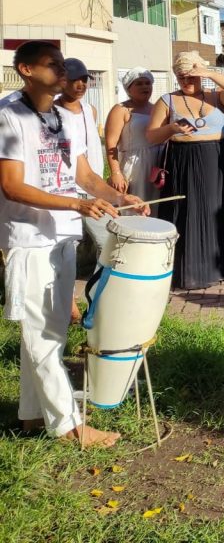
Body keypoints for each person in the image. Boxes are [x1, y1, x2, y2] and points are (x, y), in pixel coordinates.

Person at [0, 41, 147, 447]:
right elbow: (12, 187)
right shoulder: (8, 116)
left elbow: (84, 174)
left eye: (63, 63)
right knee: (42, 334)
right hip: (29, 240)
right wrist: (77, 204)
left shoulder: (63, 117)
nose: (63, 70)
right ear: (26, 70)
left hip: (63, 234)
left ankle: (31, 414)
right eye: (53, 64)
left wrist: (120, 198)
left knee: (49, 332)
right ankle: (68, 426)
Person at [146, 51, 224, 290]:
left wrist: (209, 73)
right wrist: (171, 128)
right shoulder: (167, 100)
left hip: (214, 157)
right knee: (185, 212)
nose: (187, 81)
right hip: (183, 160)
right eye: (182, 77)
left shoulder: (217, 96)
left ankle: (217, 268)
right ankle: (187, 272)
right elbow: (151, 135)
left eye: (192, 76)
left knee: (215, 210)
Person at [55, 59, 110, 260]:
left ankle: (92, 283)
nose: (81, 85)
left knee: (100, 241)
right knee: (72, 241)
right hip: (70, 187)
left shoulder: (90, 109)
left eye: (84, 80)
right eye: (74, 80)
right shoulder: (53, 112)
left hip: (94, 183)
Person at [105, 67, 161, 200]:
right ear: (128, 89)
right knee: (135, 205)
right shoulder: (121, 110)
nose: (145, 87)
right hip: (134, 166)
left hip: (156, 164)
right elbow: (111, 143)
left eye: (147, 83)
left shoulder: (156, 108)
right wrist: (116, 173)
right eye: (139, 83)